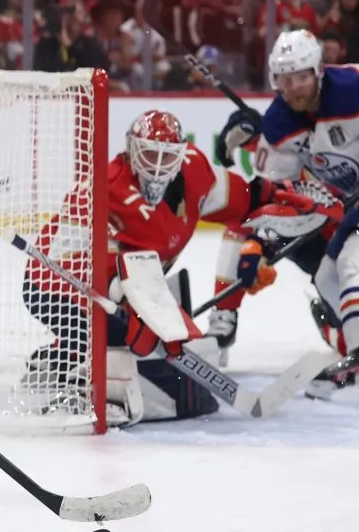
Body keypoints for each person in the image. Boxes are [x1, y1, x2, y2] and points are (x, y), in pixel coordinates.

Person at [20, 109, 340, 427]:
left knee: (144, 341)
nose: (157, 165)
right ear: (131, 150)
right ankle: (81, 386)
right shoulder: (111, 190)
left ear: (181, 153)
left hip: (122, 280)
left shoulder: (194, 168)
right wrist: (152, 320)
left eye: (166, 155)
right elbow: (109, 269)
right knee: (128, 339)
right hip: (58, 283)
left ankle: (61, 358)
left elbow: (238, 197)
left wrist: (280, 196)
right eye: (147, 153)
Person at [212, 29, 359, 402]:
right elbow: (279, 196)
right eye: (285, 79)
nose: (295, 88)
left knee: (358, 254)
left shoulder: (356, 90)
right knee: (330, 275)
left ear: (318, 72)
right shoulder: (280, 126)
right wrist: (257, 244)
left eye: (301, 77)